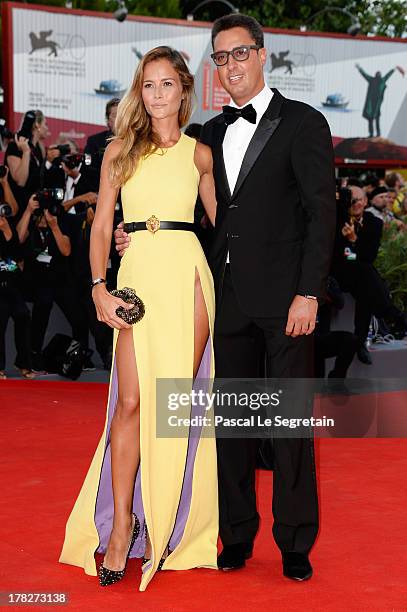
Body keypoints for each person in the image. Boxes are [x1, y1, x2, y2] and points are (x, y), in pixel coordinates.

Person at [116, 14, 336, 581]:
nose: (232, 65)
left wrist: (309, 291)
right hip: (224, 297)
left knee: (288, 428)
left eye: (240, 53)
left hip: (289, 301)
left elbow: (321, 216)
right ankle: (235, 537)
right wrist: (137, 230)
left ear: (263, 55)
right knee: (230, 428)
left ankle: (294, 544)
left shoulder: (304, 123)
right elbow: (200, 218)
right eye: (222, 57)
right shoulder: (205, 137)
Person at [59, 46, 219, 592]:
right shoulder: (118, 150)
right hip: (136, 281)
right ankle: (123, 523)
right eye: (148, 85)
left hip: (189, 278)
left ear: (183, 90)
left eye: (167, 84)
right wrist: (99, 286)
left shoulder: (201, 154)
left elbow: (226, 230)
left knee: (176, 403)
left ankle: (165, 519)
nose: (157, 94)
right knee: (129, 402)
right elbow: (102, 226)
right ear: (140, 90)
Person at [355, 64, 404, 138]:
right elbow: (388, 75)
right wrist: (394, 69)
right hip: (377, 104)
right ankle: (378, 133)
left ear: (375, 75)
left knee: (371, 119)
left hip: (371, 105)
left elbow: (364, 75)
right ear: (380, 75)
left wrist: (359, 68)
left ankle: (372, 134)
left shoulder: (372, 80)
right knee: (377, 119)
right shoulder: (382, 80)